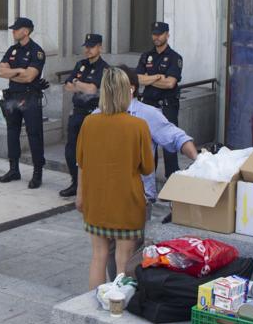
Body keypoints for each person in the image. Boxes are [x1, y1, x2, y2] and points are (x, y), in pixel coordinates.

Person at [104, 65, 200, 280]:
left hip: (135, 196)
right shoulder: (98, 115)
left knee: (129, 251)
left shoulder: (147, 115)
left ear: (131, 88)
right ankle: (115, 291)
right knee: (109, 250)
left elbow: (176, 137)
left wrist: (200, 161)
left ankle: (127, 293)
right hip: (106, 195)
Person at [76, 67, 154, 289]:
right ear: (125, 92)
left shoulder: (89, 123)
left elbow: (81, 162)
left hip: (96, 201)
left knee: (98, 256)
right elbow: (148, 168)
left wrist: (80, 195)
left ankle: (91, 304)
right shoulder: (138, 126)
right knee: (123, 260)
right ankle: (118, 305)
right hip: (127, 203)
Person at [0, 16, 47, 188]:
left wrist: (13, 72)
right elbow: (1, 72)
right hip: (12, 96)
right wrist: (19, 70)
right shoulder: (12, 50)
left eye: (16, 29)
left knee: (34, 135)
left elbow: (30, 76)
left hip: (30, 97)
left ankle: (37, 173)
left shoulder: (36, 51)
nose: (13, 31)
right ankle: (14, 169)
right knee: (12, 133)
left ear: (25, 31)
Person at [60, 33, 108, 198]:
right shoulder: (80, 64)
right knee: (71, 150)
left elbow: (92, 90)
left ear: (100, 47)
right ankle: (76, 182)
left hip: (93, 114)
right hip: (78, 112)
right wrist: (81, 85)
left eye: (92, 46)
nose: (88, 50)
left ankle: (91, 185)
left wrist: (77, 84)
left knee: (92, 152)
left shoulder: (104, 68)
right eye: (86, 46)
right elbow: (66, 86)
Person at [136, 22, 183, 177]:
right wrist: (156, 77)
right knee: (147, 148)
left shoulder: (174, 57)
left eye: (160, 34)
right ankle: (148, 184)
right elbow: (137, 79)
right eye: (154, 34)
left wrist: (148, 79)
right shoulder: (146, 56)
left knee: (169, 145)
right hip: (148, 106)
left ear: (167, 35)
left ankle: (172, 183)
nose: (156, 37)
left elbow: (170, 83)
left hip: (167, 107)